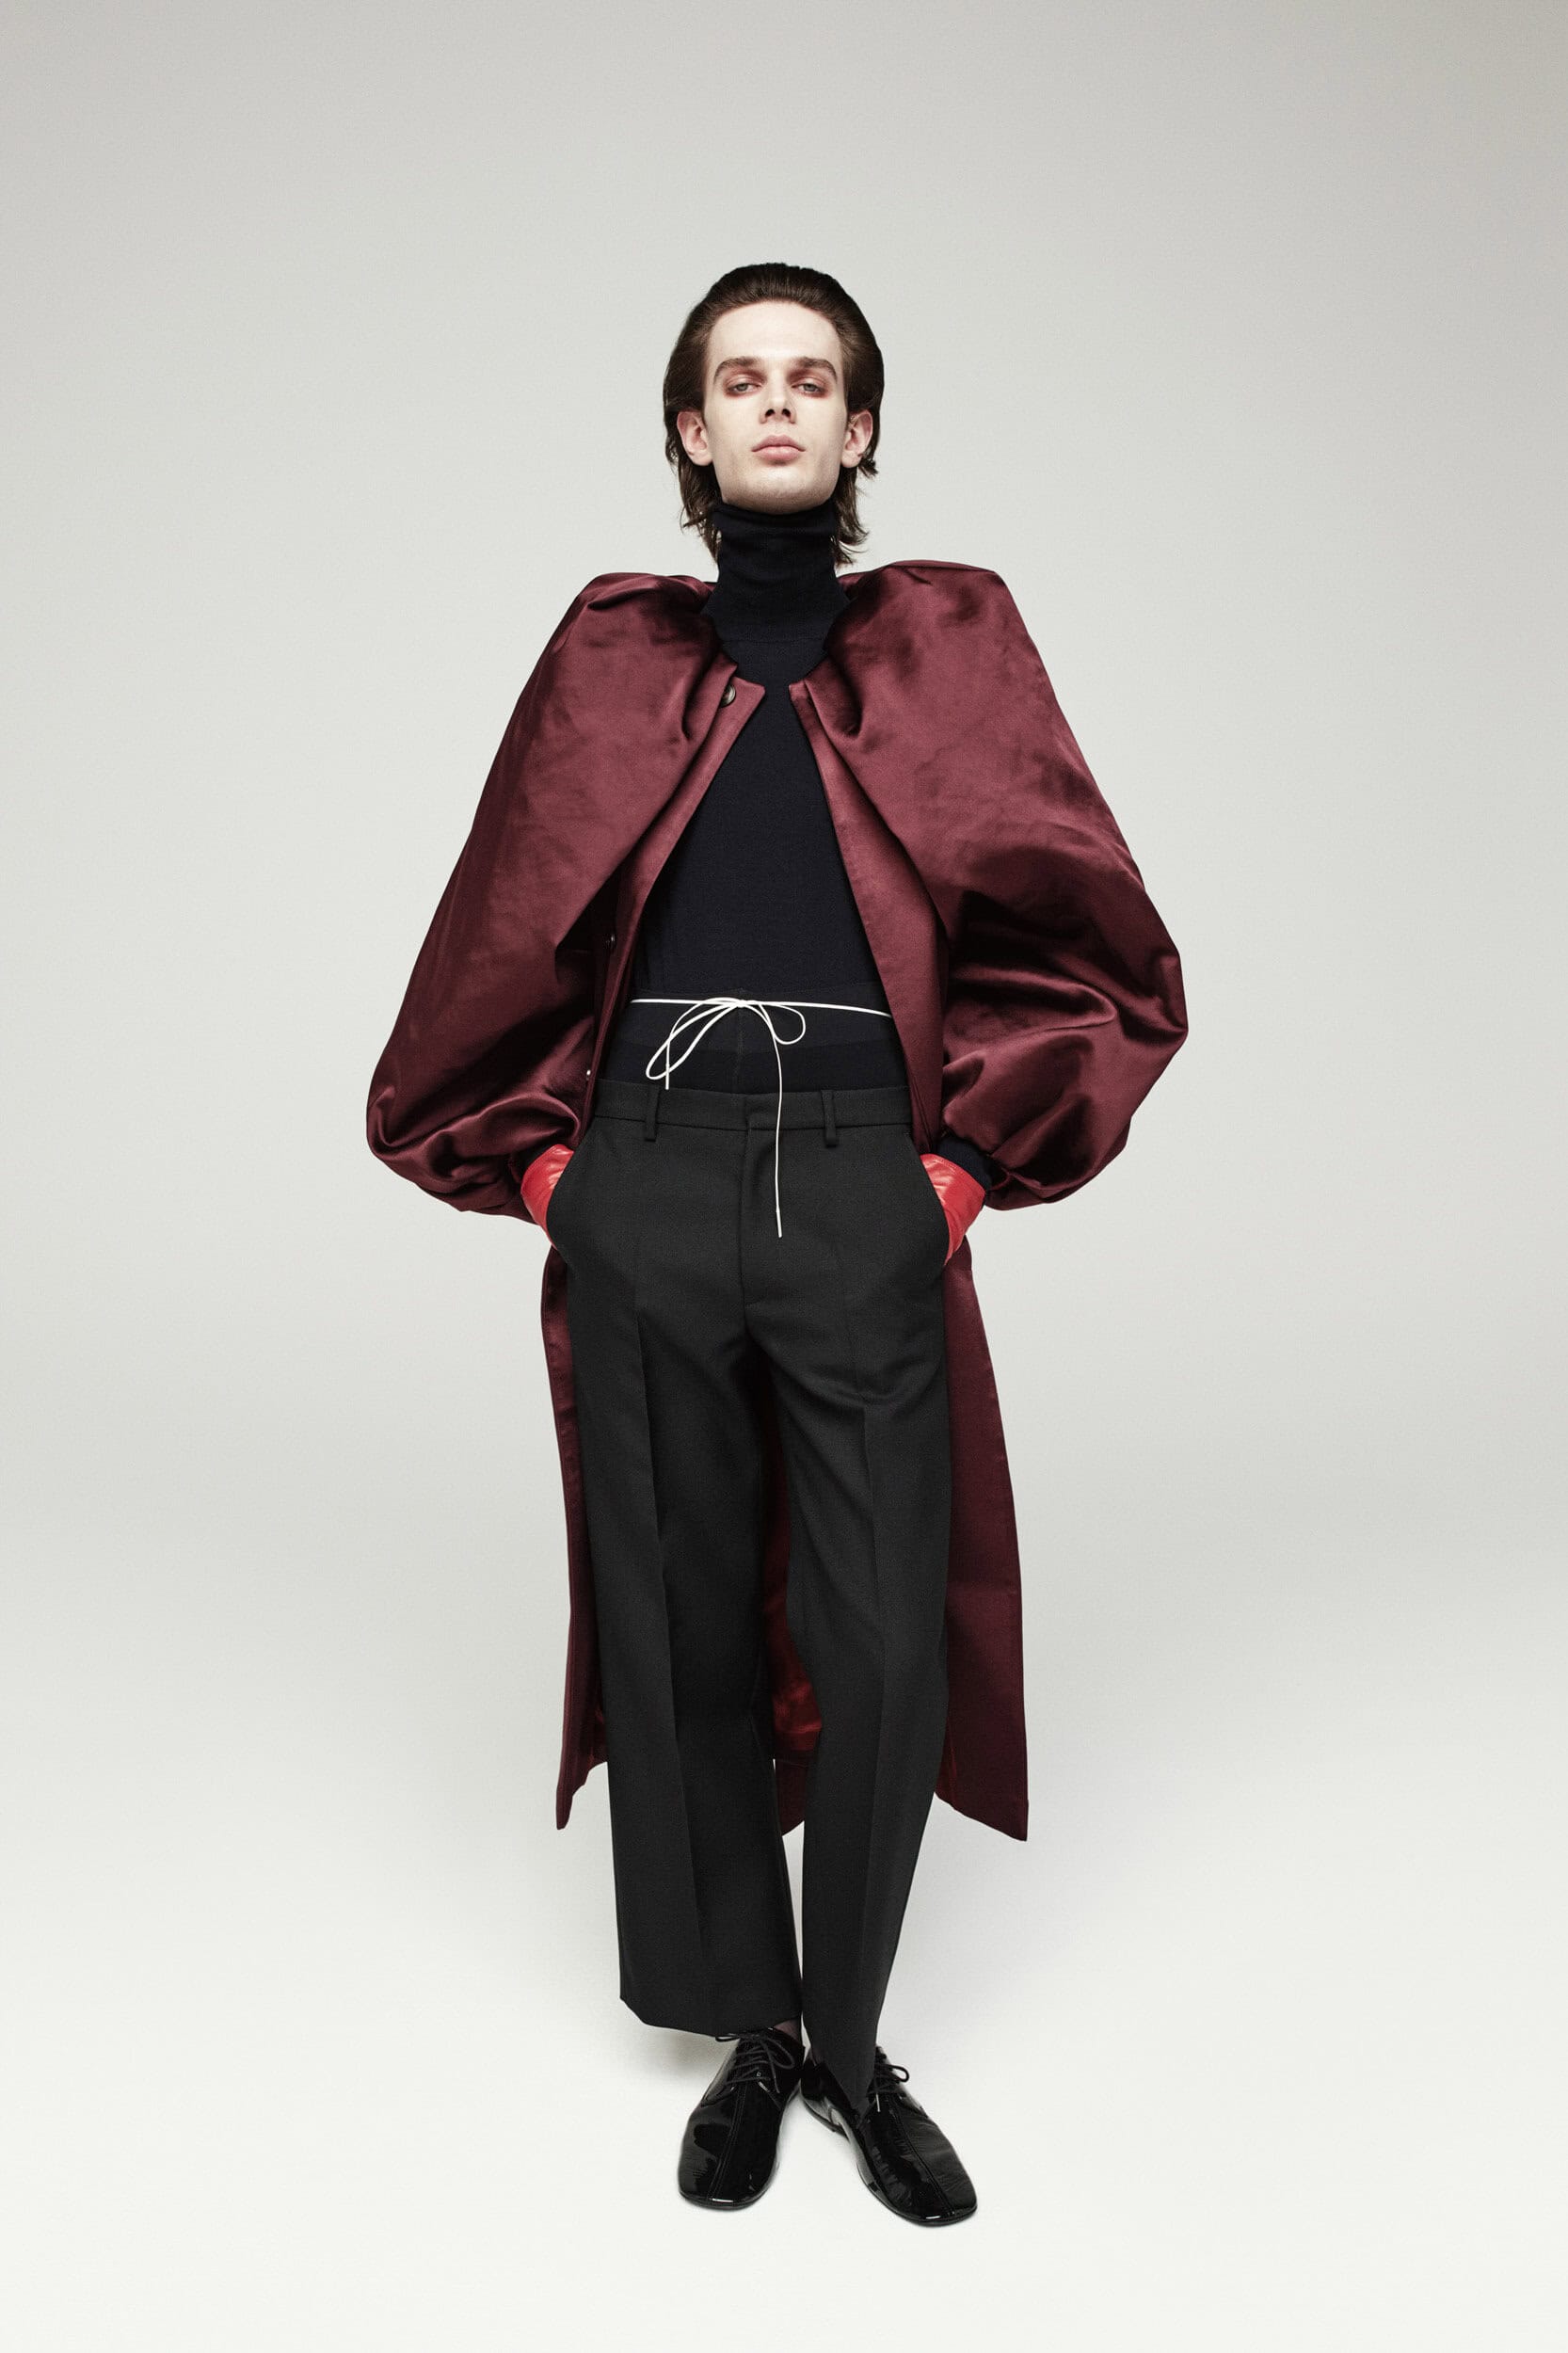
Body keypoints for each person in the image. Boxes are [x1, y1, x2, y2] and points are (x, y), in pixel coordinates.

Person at [365, 262, 1187, 2225]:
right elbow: (502, 920)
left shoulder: (953, 642)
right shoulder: (607, 654)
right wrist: (560, 1184)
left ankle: (848, 2036)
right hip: (647, 1171)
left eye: (811, 379)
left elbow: (1087, 943)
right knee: (677, 1619)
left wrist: (954, 1176)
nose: (776, 405)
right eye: (738, 379)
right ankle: (746, 2026)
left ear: (859, 426)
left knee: (882, 1629)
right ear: (687, 426)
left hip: (859, 1179)